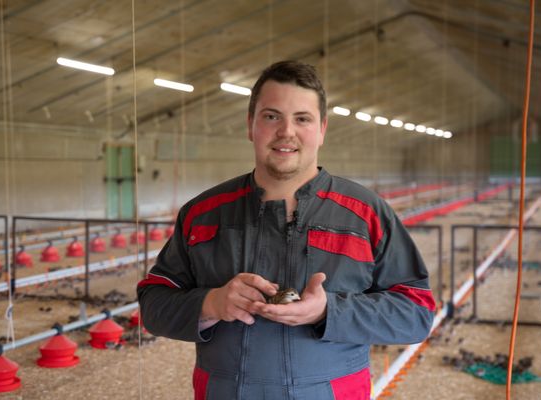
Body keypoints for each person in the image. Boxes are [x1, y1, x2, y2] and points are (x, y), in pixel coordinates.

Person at [137, 60, 435, 400]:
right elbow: (154, 304)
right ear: (251, 125)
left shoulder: (365, 215)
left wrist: (328, 311)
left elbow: (417, 311)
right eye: (271, 116)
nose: (286, 132)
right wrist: (211, 303)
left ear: (322, 129)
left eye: (302, 119)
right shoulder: (203, 213)